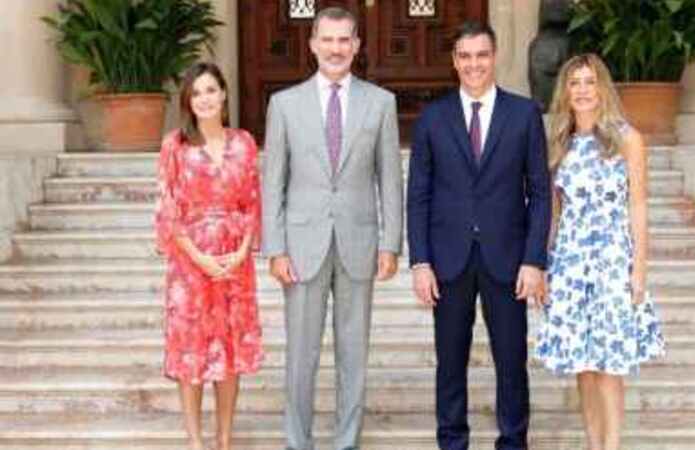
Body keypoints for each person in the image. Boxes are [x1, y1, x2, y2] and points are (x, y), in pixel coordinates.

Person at [260, 6, 403, 450]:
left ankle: (347, 442)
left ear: (357, 45)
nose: (336, 49)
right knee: (300, 356)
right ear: (313, 45)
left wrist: (391, 243)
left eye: (344, 40)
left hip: (359, 242)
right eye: (328, 39)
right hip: (302, 246)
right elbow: (273, 182)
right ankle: (296, 441)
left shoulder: (381, 103)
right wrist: (275, 248)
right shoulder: (284, 104)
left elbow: (389, 178)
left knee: (353, 354)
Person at [406, 21, 551, 450]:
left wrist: (534, 259)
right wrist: (420, 262)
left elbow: (540, 193)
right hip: (448, 260)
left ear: (495, 57)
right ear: (454, 61)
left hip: (507, 259)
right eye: (465, 56)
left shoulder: (524, 114)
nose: (474, 64)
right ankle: (452, 441)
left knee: (512, 361)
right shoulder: (432, 118)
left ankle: (513, 441)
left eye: (482, 55)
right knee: (450, 363)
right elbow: (418, 195)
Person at [533, 53, 666, 450]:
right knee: (584, 366)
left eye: (589, 82)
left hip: (611, 261)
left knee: (610, 364)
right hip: (570, 263)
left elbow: (638, 205)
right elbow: (553, 213)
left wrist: (638, 269)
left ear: (602, 87)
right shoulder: (559, 143)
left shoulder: (627, 139)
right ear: (565, 92)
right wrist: (543, 266)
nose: (582, 90)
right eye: (574, 83)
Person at [154, 62, 263, 450]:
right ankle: (196, 442)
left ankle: (225, 438)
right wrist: (198, 256)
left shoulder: (244, 143)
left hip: (235, 262)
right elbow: (167, 210)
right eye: (196, 93)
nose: (204, 99)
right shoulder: (175, 146)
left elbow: (253, 201)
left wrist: (242, 251)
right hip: (190, 264)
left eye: (210, 90)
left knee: (230, 350)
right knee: (191, 350)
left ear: (224, 94)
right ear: (188, 101)